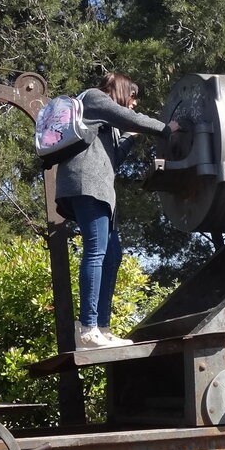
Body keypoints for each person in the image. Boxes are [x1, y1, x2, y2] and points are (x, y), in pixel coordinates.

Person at [56, 71, 180, 350]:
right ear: (123, 91)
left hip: (98, 188)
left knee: (112, 255)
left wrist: (130, 136)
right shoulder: (94, 98)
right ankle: (87, 329)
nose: (134, 103)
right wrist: (167, 128)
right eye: (133, 97)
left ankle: (102, 328)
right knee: (96, 252)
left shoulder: (106, 122)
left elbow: (115, 159)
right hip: (86, 185)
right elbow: (128, 116)